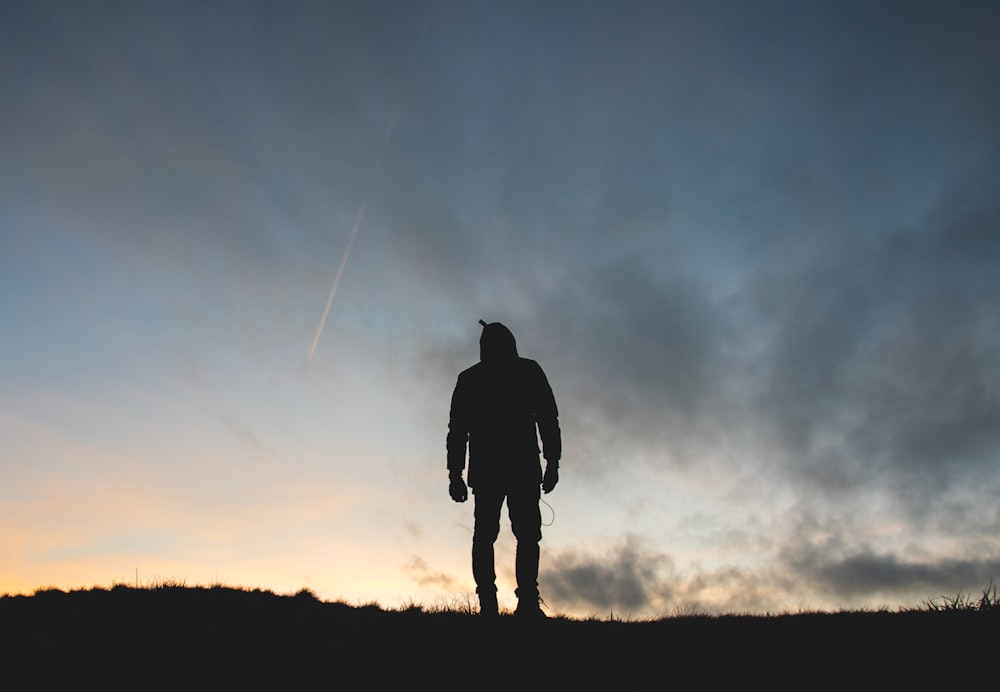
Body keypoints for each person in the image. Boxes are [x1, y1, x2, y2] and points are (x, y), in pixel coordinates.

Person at [446, 320, 561, 618]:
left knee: (499, 535)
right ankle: (508, 603)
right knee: (507, 535)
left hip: (498, 468)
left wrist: (456, 475)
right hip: (512, 467)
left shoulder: (472, 378)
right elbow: (458, 431)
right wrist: (552, 462)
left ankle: (512, 602)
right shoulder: (526, 371)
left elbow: (457, 432)